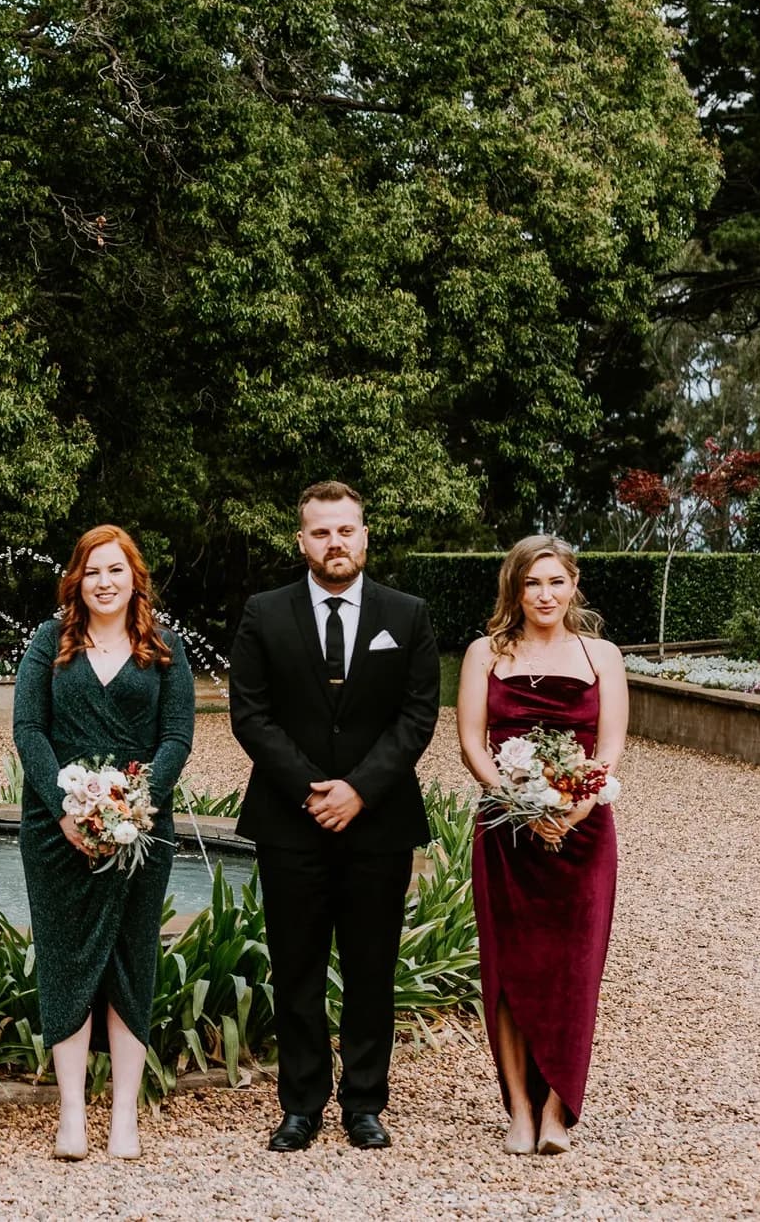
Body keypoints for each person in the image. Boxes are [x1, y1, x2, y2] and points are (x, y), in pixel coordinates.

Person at [229, 481, 439, 1152]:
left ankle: (365, 1103)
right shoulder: (265, 612)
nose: (335, 542)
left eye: (345, 529)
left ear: (365, 535)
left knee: (372, 967)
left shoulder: (406, 615)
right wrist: (311, 788)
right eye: (321, 532)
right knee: (296, 967)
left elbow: (417, 716)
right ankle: (301, 1104)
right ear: (302, 541)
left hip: (379, 822)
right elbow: (250, 714)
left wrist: (359, 789)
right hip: (289, 820)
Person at [12, 525, 193, 1160]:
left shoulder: (164, 648)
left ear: (134, 578)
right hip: (55, 829)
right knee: (65, 960)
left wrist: (136, 805)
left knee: (130, 960)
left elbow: (176, 739)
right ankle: (70, 1118)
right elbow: (29, 728)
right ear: (77, 580)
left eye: (116, 570)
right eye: (93, 571)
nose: (105, 582)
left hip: (141, 832)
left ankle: (124, 1119)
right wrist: (68, 807)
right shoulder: (48, 642)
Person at [456, 536, 622, 1155]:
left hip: (583, 835)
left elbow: (608, 751)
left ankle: (558, 1108)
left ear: (573, 584)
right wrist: (521, 806)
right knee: (508, 968)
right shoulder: (484, 653)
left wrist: (571, 811)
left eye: (556, 582)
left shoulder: (602, 654)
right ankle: (519, 1109)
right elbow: (473, 743)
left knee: (574, 971)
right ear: (514, 589)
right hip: (506, 830)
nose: (545, 595)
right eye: (532, 583)